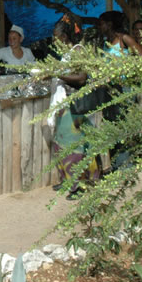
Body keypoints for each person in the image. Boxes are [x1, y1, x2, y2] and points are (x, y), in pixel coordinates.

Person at [47, 16, 99, 200]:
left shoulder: (78, 51)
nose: (54, 40)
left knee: (74, 146)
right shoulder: (66, 53)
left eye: (56, 36)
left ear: (65, 36)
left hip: (74, 104)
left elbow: (82, 77)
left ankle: (81, 184)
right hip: (64, 104)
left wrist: (57, 74)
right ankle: (67, 179)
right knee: (61, 144)